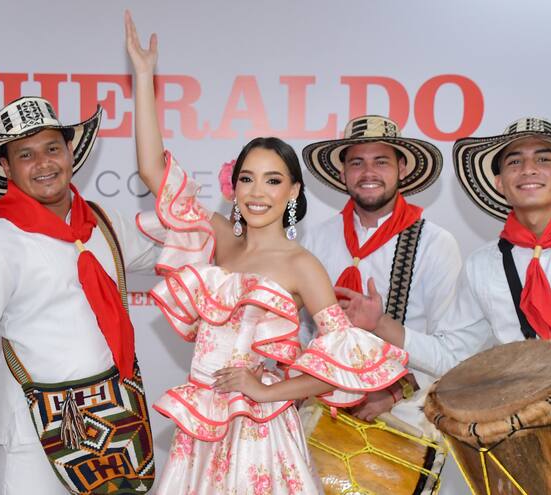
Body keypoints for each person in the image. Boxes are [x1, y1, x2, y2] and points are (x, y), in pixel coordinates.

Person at [126, 12, 409, 493]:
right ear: (233, 188)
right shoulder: (220, 237)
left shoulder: (303, 265)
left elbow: (339, 367)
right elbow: (155, 172)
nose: (258, 192)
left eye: (273, 180)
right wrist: (144, 78)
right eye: (247, 179)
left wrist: (267, 389)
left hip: (262, 435)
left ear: (293, 191)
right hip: (202, 426)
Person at [354, 117, 551, 488]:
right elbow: (452, 356)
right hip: (521, 457)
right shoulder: (484, 264)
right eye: (514, 162)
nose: (528, 169)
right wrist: (381, 325)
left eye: (544, 159)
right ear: (499, 182)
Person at [0, 96, 158, 494]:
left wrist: (226, 230)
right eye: (26, 154)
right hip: (38, 432)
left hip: (116, 419)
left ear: (70, 152)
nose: (44, 163)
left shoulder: (100, 222)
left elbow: (166, 248)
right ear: (6, 167)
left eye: (52, 148)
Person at [300, 115, 461, 430]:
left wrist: (399, 388)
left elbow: (449, 350)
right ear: (343, 171)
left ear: (402, 168)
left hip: (406, 417)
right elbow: (303, 331)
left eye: (381, 162)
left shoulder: (434, 243)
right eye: (357, 163)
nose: (369, 173)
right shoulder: (318, 239)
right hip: (321, 412)